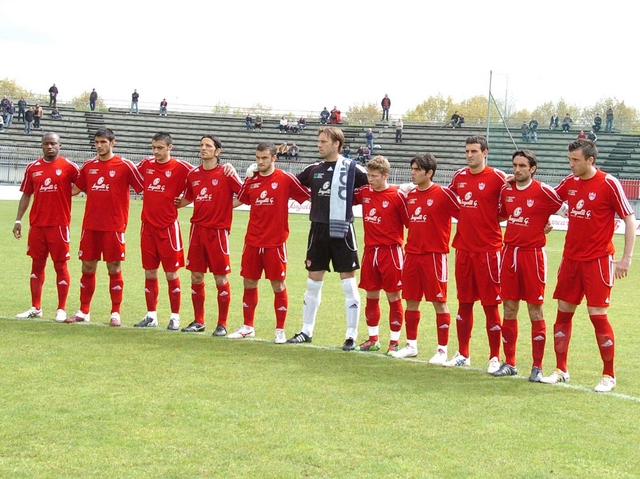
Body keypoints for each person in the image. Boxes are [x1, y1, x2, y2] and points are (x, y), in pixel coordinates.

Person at [541, 139, 636, 392]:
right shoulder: (570, 183)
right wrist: (546, 220)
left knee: (597, 316)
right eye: (569, 159)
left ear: (590, 160)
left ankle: (608, 375)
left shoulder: (608, 183)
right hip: (571, 260)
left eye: (576, 160)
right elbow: (547, 200)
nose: (571, 164)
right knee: (563, 312)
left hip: (598, 261)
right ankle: (561, 369)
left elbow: (629, 219)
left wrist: (626, 257)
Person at [287, 127, 369, 350]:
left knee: (349, 286)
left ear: (336, 144)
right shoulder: (313, 169)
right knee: (312, 284)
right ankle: (306, 330)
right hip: (318, 231)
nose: (319, 145)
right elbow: (289, 185)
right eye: (319, 141)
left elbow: (372, 187)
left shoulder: (352, 168)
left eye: (324, 141)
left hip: (343, 230)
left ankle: (351, 335)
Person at [230, 142, 310, 342]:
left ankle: (280, 329)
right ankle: (248, 326)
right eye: (257, 158)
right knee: (249, 282)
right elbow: (237, 200)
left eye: (264, 158)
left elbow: (308, 196)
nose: (260, 161)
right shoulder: (251, 180)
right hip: (252, 242)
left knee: (278, 284)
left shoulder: (285, 179)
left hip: (275, 243)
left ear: (274, 157)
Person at [494, 150, 563, 380]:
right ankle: (510, 363)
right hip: (509, 254)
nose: (517, 169)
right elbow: (502, 215)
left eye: (522, 165)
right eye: (515, 165)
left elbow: (564, 207)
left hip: (533, 256)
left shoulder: (543, 191)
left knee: (535, 309)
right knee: (509, 308)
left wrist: (547, 222)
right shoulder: (506, 190)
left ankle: (537, 366)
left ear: (532, 168)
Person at [65, 128, 144, 326]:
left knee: (114, 267)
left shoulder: (125, 165)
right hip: (90, 225)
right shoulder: (88, 166)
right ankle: (84, 311)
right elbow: (74, 189)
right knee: (87, 266)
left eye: (103, 142)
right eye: (97, 142)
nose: (99, 145)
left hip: (114, 226)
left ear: (112, 143)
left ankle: (115, 312)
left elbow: (144, 187)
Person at [444, 136, 506, 373]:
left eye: (474, 151)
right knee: (464, 303)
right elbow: (448, 201)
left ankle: (494, 356)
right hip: (463, 249)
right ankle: (463, 353)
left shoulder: (498, 178)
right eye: (467, 151)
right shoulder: (459, 177)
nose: (469, 155)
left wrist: (487, 218)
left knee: (491, 305)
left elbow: (509, 206)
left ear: (485, 153)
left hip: (489, 250)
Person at [393, 153, 460, 363]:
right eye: (411, 169)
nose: (412, 173)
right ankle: (411, 344)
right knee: (411, 300)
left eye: (417, 169)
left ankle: (442, 350)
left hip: (434, 255)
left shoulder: (443, 194)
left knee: (439, 302)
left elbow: (464, 217)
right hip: (412, 254)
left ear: (429, 173)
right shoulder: (410, 196)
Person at [175, 135, 243, 336]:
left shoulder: (227, 172)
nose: (203, 148)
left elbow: (244, 195)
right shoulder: (193, 174)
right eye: (201, 145)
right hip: (197, 230)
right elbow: (188, 197)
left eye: (208, 146)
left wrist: (224, 208)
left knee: (220, 277)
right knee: (196, 275)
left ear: (217, 151)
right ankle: (199, 321)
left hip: (218, 231)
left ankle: (222, 324)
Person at [13, 133, 80, 322]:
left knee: (60, 265)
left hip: (59, 225)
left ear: (60, 145)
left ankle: (61, 309)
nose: (49, 147)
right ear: (42, 146)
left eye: (53, 143)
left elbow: (82, 185)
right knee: (36, 265)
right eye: (46, 144)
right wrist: (18, 220)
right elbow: (26, 194)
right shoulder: (33, 168)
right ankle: (36, 307)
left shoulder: (68, 166)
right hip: (37, 225)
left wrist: (66, 193)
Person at [134, 133, 193, 331]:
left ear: (170, 147)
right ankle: (151, 315)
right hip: (147, 227)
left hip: (168, 228)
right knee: (150, 272)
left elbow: (201, 178)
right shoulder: (146, 165)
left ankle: (175, 317)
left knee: (171, 273)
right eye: (154, 148)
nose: (156, 152)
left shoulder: (181, 167)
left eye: (160, 148)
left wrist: (186, 200)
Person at [353, 156, 409, 355]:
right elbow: (346, 196)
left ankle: (394, 342)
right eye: (369, 175)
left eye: (375, 176)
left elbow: (409, 223)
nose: (370, 179)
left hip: (391, 252)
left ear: (386, 176)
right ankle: (373, 339)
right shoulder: (364, 192)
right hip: (370, 252)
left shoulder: (397, 196)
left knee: (394, 296)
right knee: (371, 295)